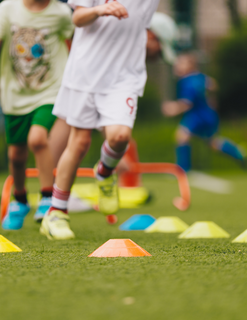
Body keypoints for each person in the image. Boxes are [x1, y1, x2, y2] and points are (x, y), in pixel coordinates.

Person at [39, 0, 160, 240]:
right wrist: (99, 10)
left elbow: (141, 25)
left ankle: (104, 172)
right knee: (80, 142)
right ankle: (56, 213)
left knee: (120, 137)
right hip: (85, 74)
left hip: (124, 77)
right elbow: (77, 18)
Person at [0, 0, 74, 230]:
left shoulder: (61, 13)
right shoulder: (7, 9)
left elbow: (73, 45)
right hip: (16, 94)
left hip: (50, 89)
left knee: (38, 138)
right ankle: (20, 199)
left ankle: (46, 197)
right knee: (16, 155)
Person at [162, 53, 247, 172]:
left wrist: (173, 109)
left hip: (196, 116)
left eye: (181, 63)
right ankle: (238, 152)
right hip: (209, 115)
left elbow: (187, 104)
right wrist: (211, 99)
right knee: (213, 143)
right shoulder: (200, 77)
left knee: (181, 136)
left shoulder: (187, 81)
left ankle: (183, 169)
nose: (177, 65)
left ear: (190, 66)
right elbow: (213, 85)